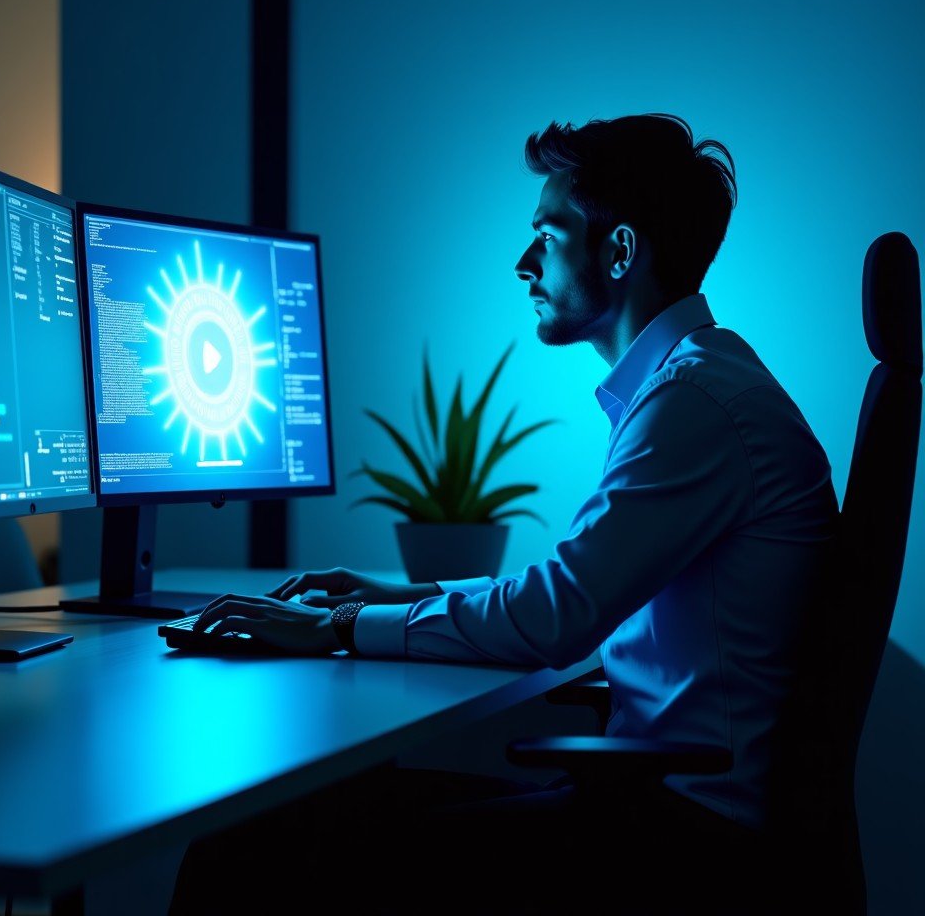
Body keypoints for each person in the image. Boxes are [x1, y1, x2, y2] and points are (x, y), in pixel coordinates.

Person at [168, 114, 837, 916]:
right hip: (661, 809)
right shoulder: (698, 385)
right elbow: (569, 588)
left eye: (547, 237)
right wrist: (394, 598)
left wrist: (341, 626)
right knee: (294, 825)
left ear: (619, 252)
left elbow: (556, 615)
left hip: (682, 842)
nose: (524, 263)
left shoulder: (693, 402)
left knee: (258, 847)